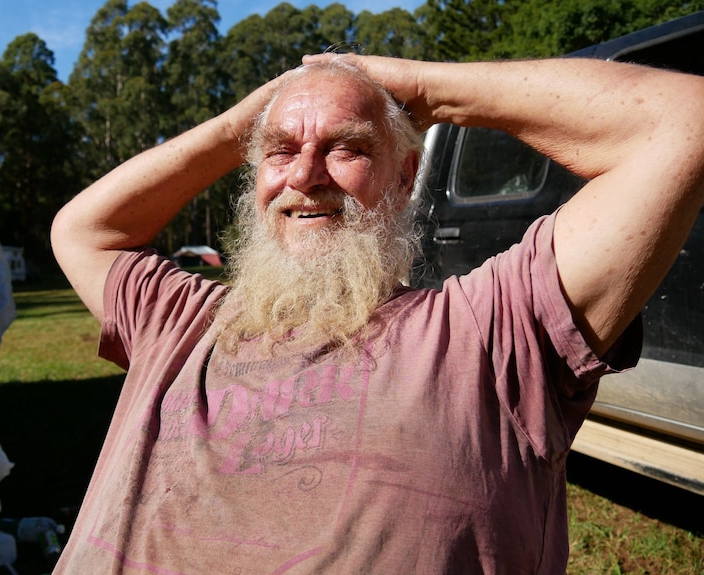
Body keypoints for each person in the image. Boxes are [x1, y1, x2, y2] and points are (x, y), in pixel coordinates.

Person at [50, 53, 704, 573]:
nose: (306, 173)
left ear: (404, 174)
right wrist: (246, 120)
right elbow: (82, 229)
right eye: (279, 150)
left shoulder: (489, 332)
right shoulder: (180, 319)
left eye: (348, 147)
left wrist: (421, 87)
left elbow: (685, 119)